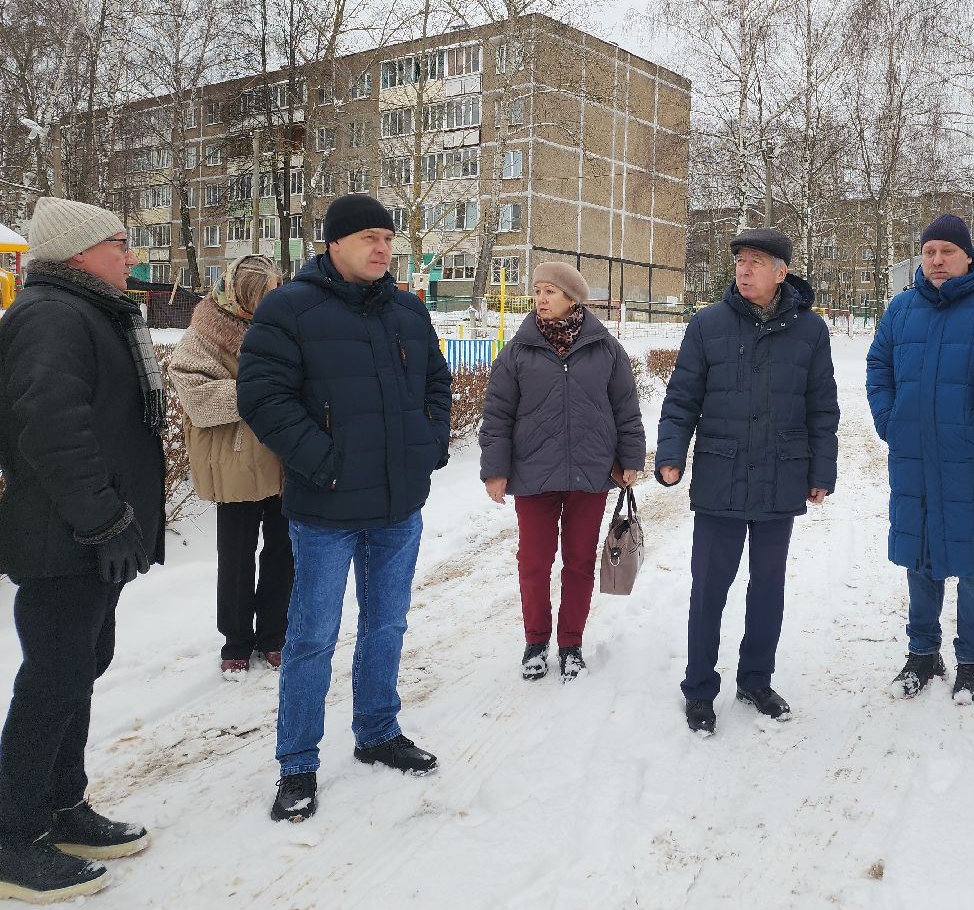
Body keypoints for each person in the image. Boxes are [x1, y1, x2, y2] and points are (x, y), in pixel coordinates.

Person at [238, 194, 452, 823]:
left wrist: (428, 446)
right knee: (311, 637)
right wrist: (324, 463)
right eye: (367, 237)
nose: (382, 249)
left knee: (387, 624)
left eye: (388, 237)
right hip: (325, 510)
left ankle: (378, 732)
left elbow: (436, 383)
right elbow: (263, 398)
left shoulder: (407, 310)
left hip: (398, 506)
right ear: (333, 243)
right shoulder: (289, 308)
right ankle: (297, 764)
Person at [0, 199, 164, 902]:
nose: (130, 255)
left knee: (78, 670)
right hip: (63, 538)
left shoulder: (88, 311)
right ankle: (10, 835)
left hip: (90, 539)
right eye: (119, 243)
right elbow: (51, 429)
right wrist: (104, 520)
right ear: (77, 252)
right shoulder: (50, 316)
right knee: (52, 681)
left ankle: (62, 805)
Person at [655, 228, 839, 736]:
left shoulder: (810, 331)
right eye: (740, 259)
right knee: (709, 589)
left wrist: (821, 470)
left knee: (767, 590)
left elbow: (822, 407)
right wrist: (671, 453)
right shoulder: (708, 324)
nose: (744, 268)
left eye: (756, 260)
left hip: (781, 475)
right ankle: (699, 688)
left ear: (782, 272)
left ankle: (756, 680)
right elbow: (681, 398)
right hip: (722, 475)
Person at [866, 215, 974, 704]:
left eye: (947, 251)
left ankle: (972, 661)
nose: (936, 260)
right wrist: (890, 420)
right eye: (929, 251)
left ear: (968, 256)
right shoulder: (902, 308)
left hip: (971, 457)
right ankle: (922, 655)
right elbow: (879, 365)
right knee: (921, 557)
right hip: (913, 453)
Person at [479, 262, 645, 683]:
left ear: (573, 298)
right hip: (533, 473)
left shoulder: (606, 349)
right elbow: (497, 415)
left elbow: (626, 409)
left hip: (590, 472)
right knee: (534, 562)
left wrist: (631, 459)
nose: (541, 299)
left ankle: (571, 644)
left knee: (579, 562)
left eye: (550, 291)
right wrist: (495, 471)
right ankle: (536, 642)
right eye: (537, 290)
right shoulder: (518, 351)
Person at [170, 255, 292, 680]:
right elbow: (193, 392)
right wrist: (257, 392)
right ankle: (236, 640)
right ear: (242, 293)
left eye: (277, 290)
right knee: (237, 556)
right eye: (264, 293)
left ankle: (275, 634)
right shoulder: (205, 330)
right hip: (236, 456)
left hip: (285, 455)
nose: (273, 300)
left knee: (284, 551)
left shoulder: (287, 326)